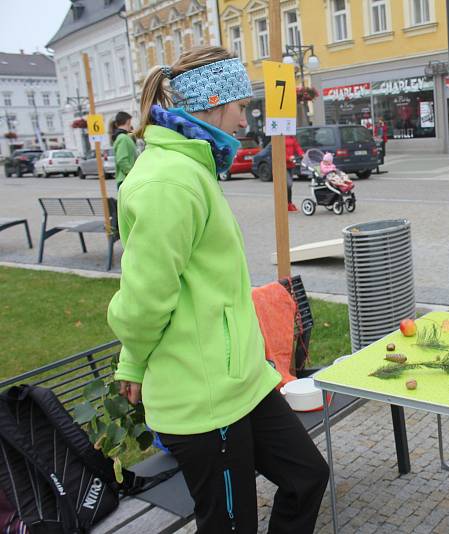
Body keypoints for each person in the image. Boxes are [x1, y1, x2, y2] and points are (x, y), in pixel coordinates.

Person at [107, 46, 329, 534]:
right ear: (213, 100)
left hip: (243, 382)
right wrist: (134, 359)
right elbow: (144, 301)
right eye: (243, 106)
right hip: (203, 401)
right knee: (230, 526)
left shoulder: (191, 169)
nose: (247, 120)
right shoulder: (168, 181)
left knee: (307, 477)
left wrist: (132, 360)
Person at [109, 111, 137, 189]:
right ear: (128, 121)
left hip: (125, 180)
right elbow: (122, 160)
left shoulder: (122, 137)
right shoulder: (123, 138)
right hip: (126, 180)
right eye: (130, 122)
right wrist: (133, 174)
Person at [284, 135, 303, 212]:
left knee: (288, 186)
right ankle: (284, 203)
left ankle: (289, 204)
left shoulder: (291, 137)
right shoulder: (279, 137)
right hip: (282, 165)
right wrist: (288, 158)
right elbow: (278, 151)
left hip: (291, 165)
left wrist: (302, 154)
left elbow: (297, 147)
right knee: (288, 184)